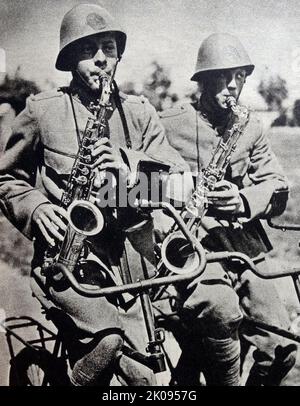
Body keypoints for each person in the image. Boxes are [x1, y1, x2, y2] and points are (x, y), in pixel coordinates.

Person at [0, 4, 188, 386]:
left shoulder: (141, 113)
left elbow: (177, 184)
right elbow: (7, 179)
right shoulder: (42, 111)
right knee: (106, 345)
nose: (101, 59)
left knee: (148, 382)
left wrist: (128, 167)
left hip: (134, 269)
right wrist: (36, 210)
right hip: (68, 265)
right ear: (70, 59)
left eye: (109, 48)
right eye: (88, 50)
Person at [157, 33, 297, 386]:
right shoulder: (167, 122)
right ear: (202, 79)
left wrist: (244, 200)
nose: (232, 87)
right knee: (218, 334)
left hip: (244, 246)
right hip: (191, 244)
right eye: (223, 76)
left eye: (240, 77)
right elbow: (136, 180)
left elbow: (277, 185)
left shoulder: (249, 126)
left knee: (282, 348)